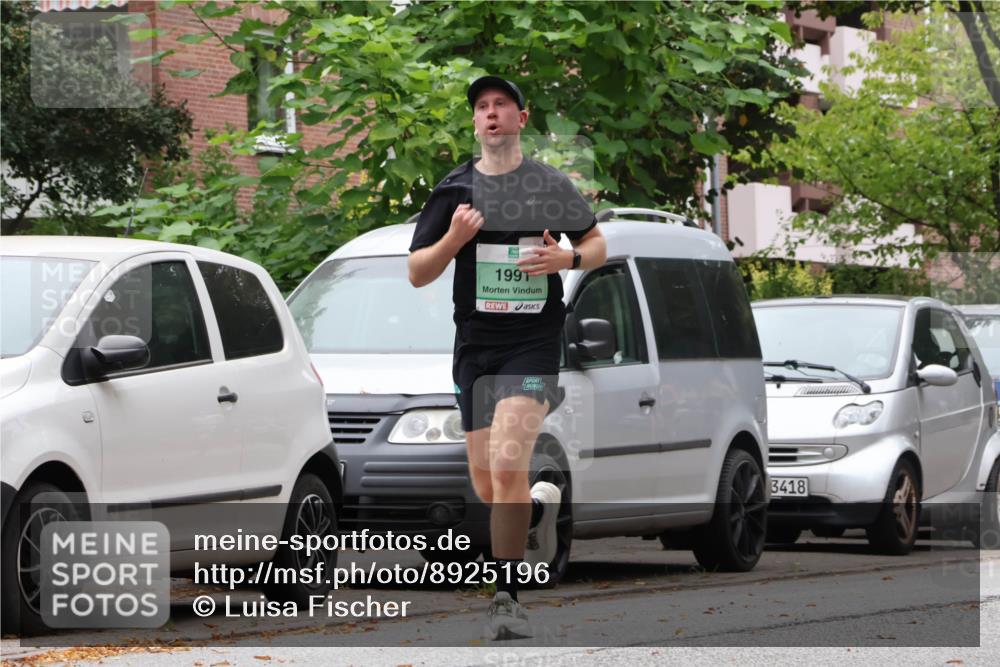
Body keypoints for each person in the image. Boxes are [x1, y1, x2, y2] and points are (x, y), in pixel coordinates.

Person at [408, 76, 607, 640]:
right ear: (475, 123)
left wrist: (565, 259)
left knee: (507, 458)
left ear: (522, 117)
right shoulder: (454, 191)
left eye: (501, 105)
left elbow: (597, 245)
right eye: (481, 107)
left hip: (533, 344)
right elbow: (417, 271)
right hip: (475, 347)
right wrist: (452, 240)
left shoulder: (549, 186)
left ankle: (505, 597)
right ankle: (535, 512)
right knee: (490, 485)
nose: (491, 114)